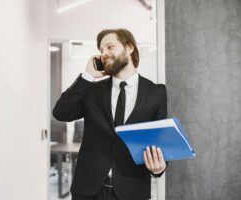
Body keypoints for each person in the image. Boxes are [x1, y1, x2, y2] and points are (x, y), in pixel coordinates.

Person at [53, 28, 167, 200]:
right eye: (101, 50)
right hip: (88, 191)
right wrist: (87, 76)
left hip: (132, 191)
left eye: (110, 47)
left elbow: (160, 140)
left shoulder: (156, 93)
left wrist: (159, 167)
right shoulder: (92, 89)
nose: (104, 53)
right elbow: (61, 112)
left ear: (129, 47)